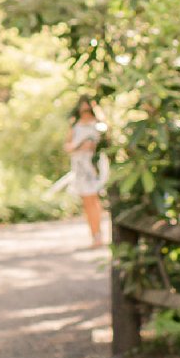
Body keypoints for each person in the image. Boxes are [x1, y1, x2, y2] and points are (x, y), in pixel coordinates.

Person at [65, 94, 107, 247]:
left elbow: (105, 143)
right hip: (79, 164)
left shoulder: (99, 124)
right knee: (87, 201)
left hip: (93, 165)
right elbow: (67, 146)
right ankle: (94, 234)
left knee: (94, 199)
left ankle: (98, 235)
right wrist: (78, 146)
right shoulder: (75, 124)